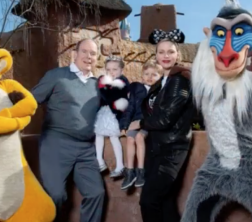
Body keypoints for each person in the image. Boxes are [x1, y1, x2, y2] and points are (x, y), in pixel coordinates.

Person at [31, 38, 105, 222]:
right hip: (56, 143)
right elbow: (30, 101)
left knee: (96, 193)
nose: (89, 56)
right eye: (85, 52)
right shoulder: (56, 76)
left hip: (86, 148)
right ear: (75, 54)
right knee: (55, 195)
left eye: (93, 53)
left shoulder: (98, 85)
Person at [129, 29, 195, 222]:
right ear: (156, 55)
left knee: (149, 201)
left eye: (170, 52)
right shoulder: (162, 82)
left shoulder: (179, 81)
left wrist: (139, 123)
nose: (166, 56)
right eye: (161, 52)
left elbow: (165, 119)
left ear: (177, 55)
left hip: (171, 150)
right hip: (156, 148)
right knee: (165, 203)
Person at [120, 60, 163, 190]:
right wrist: (125, 125)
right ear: (142, 76)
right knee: (130, 138)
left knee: (139, 137)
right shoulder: (137, 89)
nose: (150, 77)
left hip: (148, 124)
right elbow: (130, 108)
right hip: (135, 122)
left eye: (154, 74)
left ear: (160, 77)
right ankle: (129, 171)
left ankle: (140, 171)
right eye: (147, 74)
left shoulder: (160, 92)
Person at [94, 55, 130, 178]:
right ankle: (99, 160)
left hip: (114, 114)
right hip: (105, 112)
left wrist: (103, 88)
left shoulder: (121, 83)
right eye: (108, 70)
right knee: (98, 134)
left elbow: (111, 97)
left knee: (114, 138)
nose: (111, 72)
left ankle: (120, 165)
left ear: (121, 70)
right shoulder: (108, 81)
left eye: (114, 69)